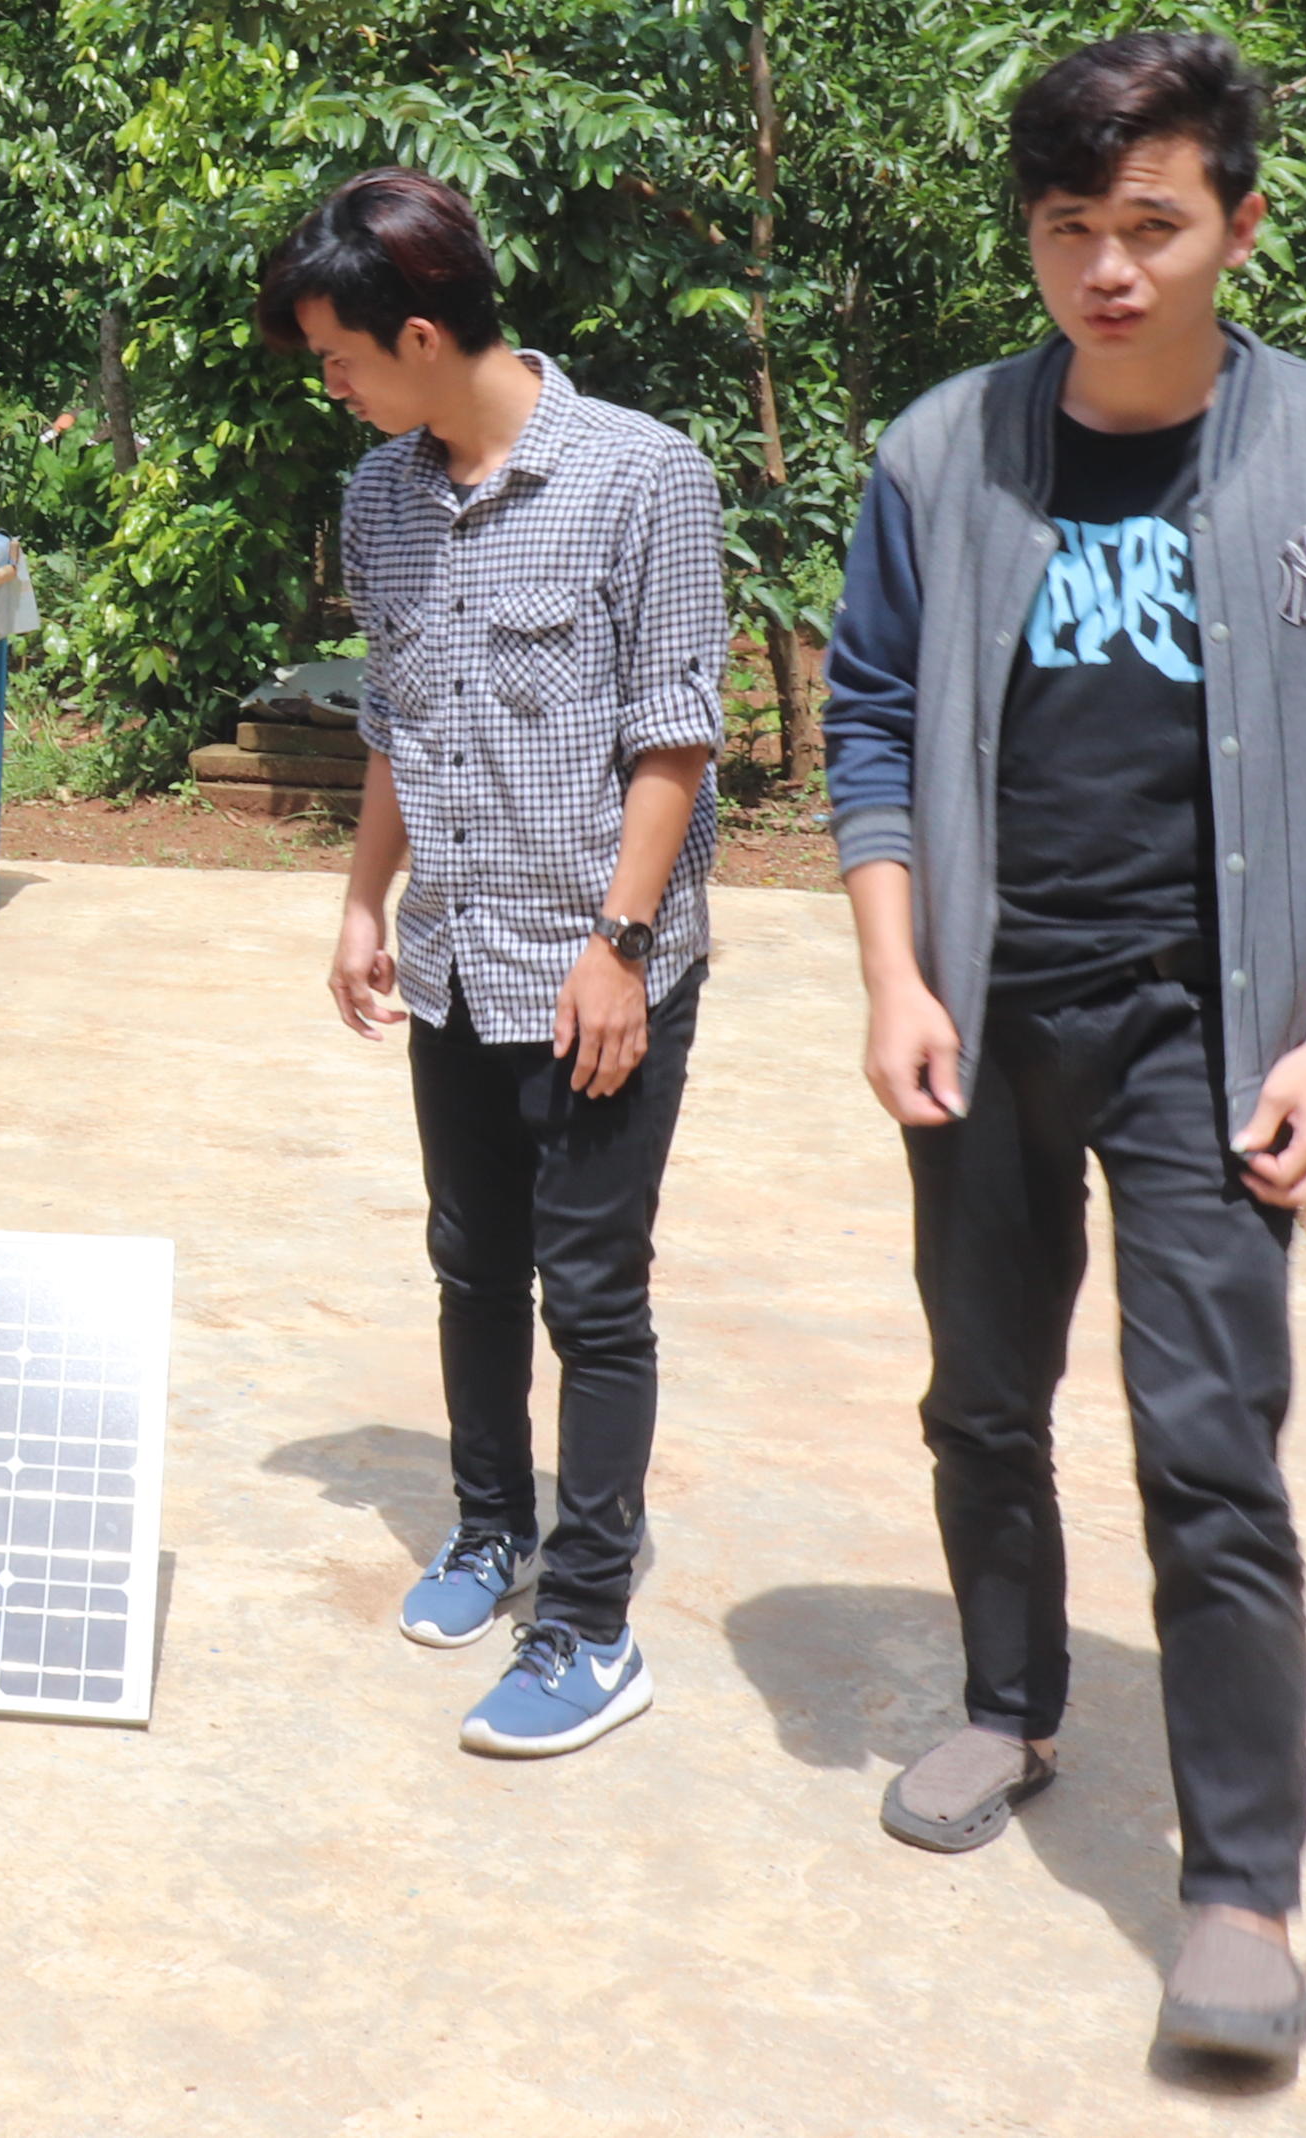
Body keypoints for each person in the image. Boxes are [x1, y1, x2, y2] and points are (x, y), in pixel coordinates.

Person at [824, 33, 1306, 2072]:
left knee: (1205, 1447)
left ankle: (1237, 1880)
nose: (1106, 268)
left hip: (1202, 1021)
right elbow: (872, 729)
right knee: (978, 1395)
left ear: (1234, 224)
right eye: (1067, 227)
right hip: (983, 1010)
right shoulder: (938, 454)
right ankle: (1007, 1696)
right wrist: (894, 978)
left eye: (1148, 225)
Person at [280, 167, 728, 1761]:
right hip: (458, 955)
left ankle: (591, 1622)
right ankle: (492, 1532)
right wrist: (361, 899)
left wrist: (618, 947)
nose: (329, 385)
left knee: (593, 1292)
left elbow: (675, 734)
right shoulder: (381, 500)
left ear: (417, 332)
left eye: (337, 356)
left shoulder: (642, 478)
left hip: (596, 968)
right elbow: (400, 719)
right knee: (473, 1259)